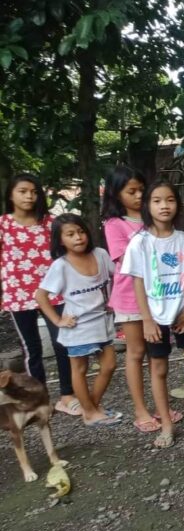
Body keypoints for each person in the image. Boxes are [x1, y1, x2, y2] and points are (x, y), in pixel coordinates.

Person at [122, 179, 184, 449]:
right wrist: (146, 319)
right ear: (148, 206)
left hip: (183, 313)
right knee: (158, 368)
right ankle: (167, 425)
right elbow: (137, 281)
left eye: (170, 200)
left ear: (177, 204)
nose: (164, 206)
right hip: (154, 317)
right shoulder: (140, 242)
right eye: (157, 201)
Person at [103, 165, 178, 433]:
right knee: (136, 352)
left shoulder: (153, 220)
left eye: (141, 190)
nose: (138, 196)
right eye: (130, 191)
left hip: (160, 297)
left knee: (158, 354)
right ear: (116, 194)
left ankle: (161, 404)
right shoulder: (115, 224)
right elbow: (126, 261)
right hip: (130, 297)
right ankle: (140, 408)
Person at [1, 173, 77, 415]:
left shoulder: (50, 223)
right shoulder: (3, 225)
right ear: (11, 194)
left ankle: (67, 395)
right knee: (31, 348)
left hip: (53, 292)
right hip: (17, 293)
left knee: (62, 341)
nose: (29, 196)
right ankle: (40, 398)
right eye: (23, 191)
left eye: (34, 192)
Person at [35, 214, 121, 426]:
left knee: (109, 365)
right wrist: (57, 320)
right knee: (79, 369)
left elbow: (118, 276)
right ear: (60, 239)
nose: (78, 238)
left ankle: (91, 406)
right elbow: (41, 295)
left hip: (102, 321)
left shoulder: (100, 254)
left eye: (81, 232)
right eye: (70, 234)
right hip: (78, 327)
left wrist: (115, 300)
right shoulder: (61, 265)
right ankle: (91, 413)